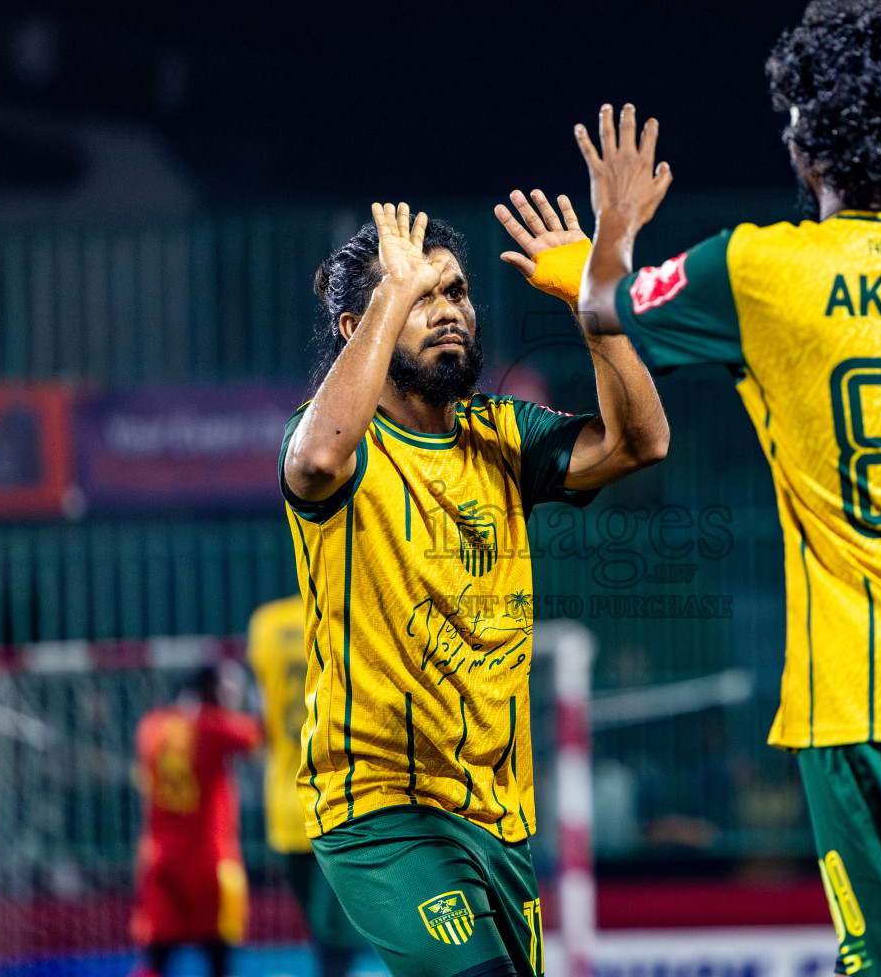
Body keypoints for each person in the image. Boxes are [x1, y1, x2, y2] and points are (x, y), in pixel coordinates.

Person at [570, 0, 881, 977]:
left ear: (808, 139)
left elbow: (605, 305)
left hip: (868, 698)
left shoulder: (762, 269)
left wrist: (613, 231)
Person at [280, 197, 667, 977]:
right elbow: (316, 460)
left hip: (497, 815)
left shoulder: (502, 433)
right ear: (363, 325)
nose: (447, 310)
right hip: (381, 811)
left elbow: (641, 442)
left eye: (453, 291)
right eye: (419, 296)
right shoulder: (335, 444)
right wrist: (390, 290)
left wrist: (596, 305)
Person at [248, 595, 370, 977]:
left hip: (284, 804)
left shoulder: (266, 623)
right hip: (341, 800)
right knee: (336, 931)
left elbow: (259, 714)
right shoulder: (353, 611)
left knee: (326, 930)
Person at [130, 663, 263, 977]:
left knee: (154, 960)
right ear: (211, 691)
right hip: (209, 863)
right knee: (218, 957)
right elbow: (259, 737)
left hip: (160, 860)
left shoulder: (151, 726)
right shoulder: (214, 727)